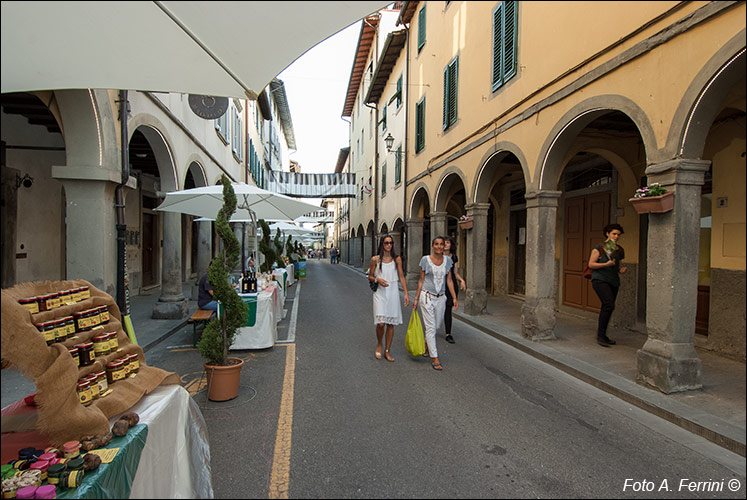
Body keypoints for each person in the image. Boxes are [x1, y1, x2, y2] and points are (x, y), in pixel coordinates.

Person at [413, 236, 458, 370]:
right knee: (431, 327)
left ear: (444, 246)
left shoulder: (448, 261)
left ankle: (427, 343)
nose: (439, 246)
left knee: (437, 325)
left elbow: (449, 280)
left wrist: (454, 298)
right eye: (436, 244)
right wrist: (416, 298)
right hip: (426, 296)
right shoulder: (425, 260)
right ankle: (435, 357)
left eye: (441, 244)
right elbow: (421, 280)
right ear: (433, 246)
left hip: (441, 297)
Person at [368, 234, 409, 362]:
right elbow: (369, 276)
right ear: (382, 244)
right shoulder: (375, 259)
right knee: (381, 323)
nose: (389, 245)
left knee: (390, 324)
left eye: (391, 243)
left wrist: (406, 294)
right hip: (380, 293)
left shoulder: (397, 259)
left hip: (393, 293)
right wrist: (377, 279)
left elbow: (401, 276)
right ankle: (380, 344)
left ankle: (387, 350)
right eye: (386, 243)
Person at [588, 223, 627, 347]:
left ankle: (603, 335)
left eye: (618, 235)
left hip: (613, 280)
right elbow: (591, 264)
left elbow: (616, 264)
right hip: (600, 279)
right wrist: (605, 265)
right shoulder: (599, 247)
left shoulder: (619, 249)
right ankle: (600, 336)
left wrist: (620, 269)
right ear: (607, 234)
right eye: (614, 234)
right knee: (608, 304)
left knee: (609, 307)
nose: (616, 236)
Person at [443, 236, 467, 344]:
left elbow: (455, 273)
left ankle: (448, 333)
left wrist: (462, 280)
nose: (446, 244)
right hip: (440, 283)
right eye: (444, 243)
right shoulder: (438, 257)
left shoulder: (454, 257)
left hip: (451, 284)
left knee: (448, 309)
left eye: (448, 242)